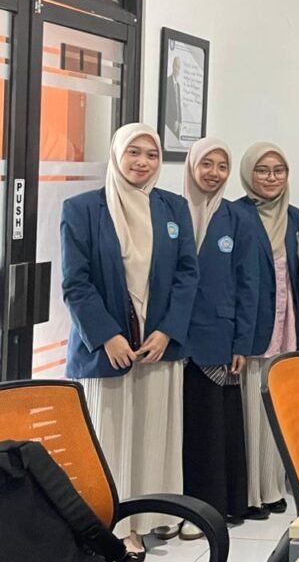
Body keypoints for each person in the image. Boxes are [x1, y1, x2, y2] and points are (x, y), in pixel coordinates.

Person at [60, 123, 198, 558]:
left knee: (153, 436)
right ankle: (116, 527)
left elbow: (187, 275)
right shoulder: (82, 209)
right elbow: (76, 282)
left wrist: (167, 330)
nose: (143, 162)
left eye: (151, 154)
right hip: (106, 351)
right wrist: (107, 337)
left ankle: (153, 516)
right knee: (109, 440)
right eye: (133, 152)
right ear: (116, 155)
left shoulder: (173, 207)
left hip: (158, 347)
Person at [180, 139, 259, 538]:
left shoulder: (237, 218)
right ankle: (170, 507)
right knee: (179, 429)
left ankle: (209, 509)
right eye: (206, 164)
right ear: (191, 166)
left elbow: (249, 284)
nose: (213, 172)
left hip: (218, 339)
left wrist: (242, 342)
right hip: (171, 340)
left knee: (212, 429)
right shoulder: (171, 210)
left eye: (222, 166)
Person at [236, 143, 299, 520]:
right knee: (252, 414)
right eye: (262, 170)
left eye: (279, 170)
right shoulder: (235, 214)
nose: (272, 177)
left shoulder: (295, 216)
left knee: (280, 407)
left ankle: (276, 486)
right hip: (254, 329)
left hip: (288, 325)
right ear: (249, 174)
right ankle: (252, 493)